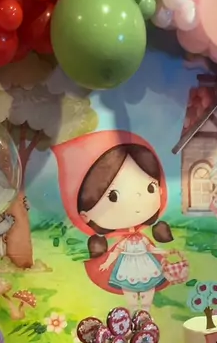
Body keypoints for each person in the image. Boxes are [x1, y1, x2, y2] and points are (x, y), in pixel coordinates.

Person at [53, 131, 184, 313]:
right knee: (130, 291)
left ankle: (145, 312)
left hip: (146, 265)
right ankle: (133, 311)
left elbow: (152, 249)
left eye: (150, 187)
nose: (137, 199)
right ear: (85, 215)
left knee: (148, 289)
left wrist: (165, 252)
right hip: (127, 267)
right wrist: (107, 263)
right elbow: (115, 253)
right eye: (113, 196)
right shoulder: (123, 243)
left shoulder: (143, 239)